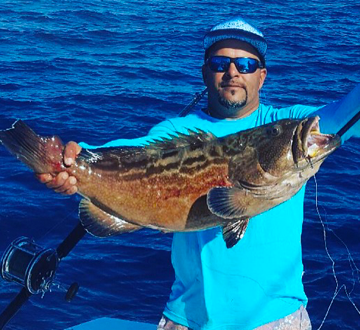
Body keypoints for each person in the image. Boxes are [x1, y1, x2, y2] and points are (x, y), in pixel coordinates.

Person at [37, 17, 360, 330]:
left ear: (261, 76)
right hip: (187, 319)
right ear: (205, 73)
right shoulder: (180, 131)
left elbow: (348, 111)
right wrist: (76, 160)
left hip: (278, 318)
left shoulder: (287, 125)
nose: (232, 72)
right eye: (221, 63)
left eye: (245, 65)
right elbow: (136, 149)